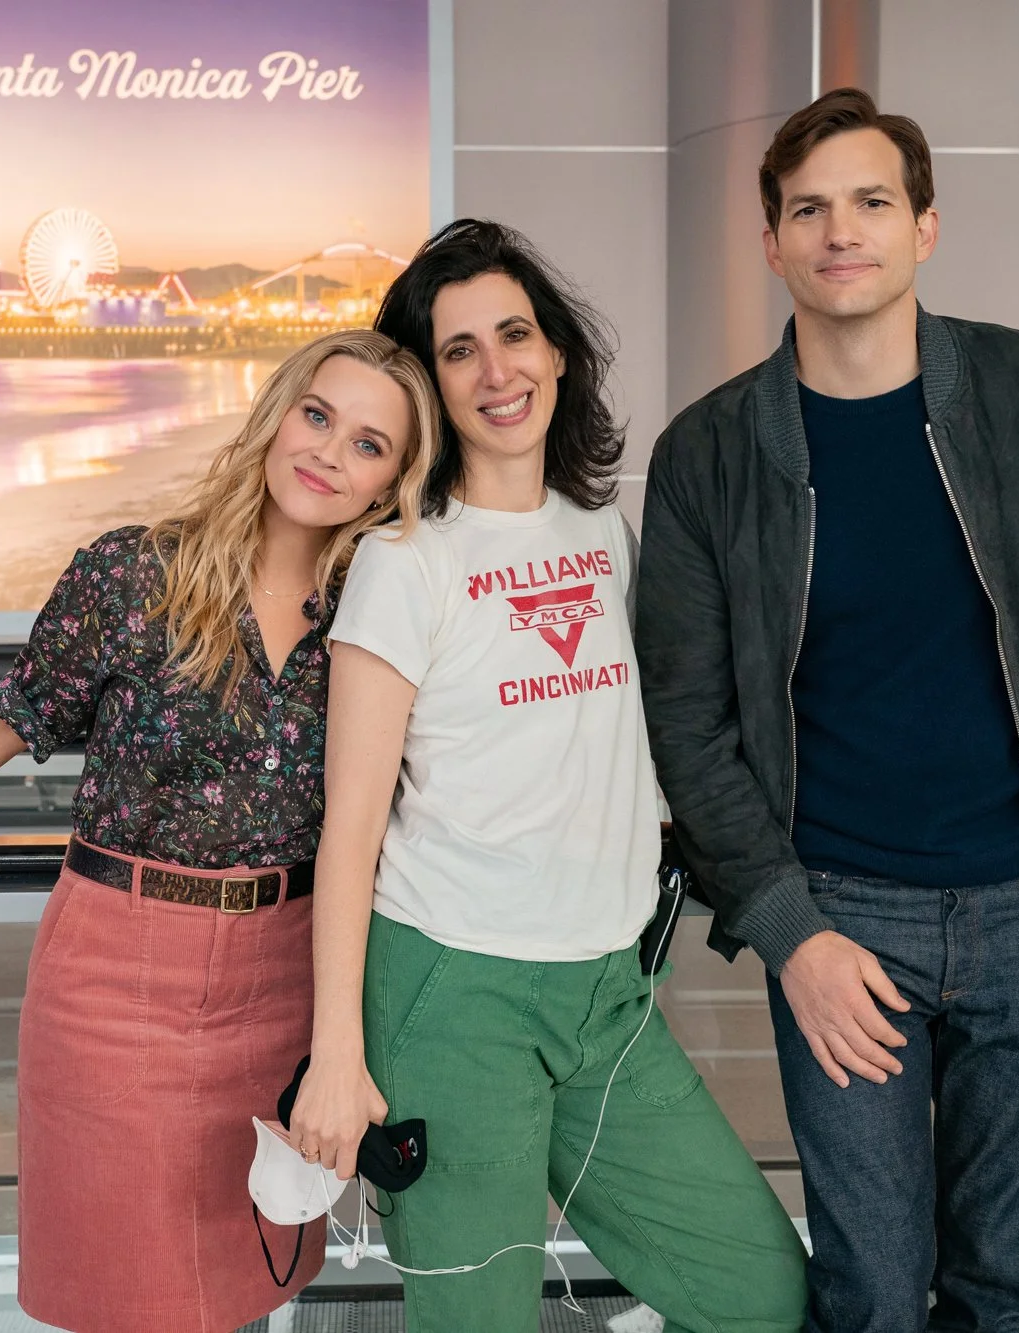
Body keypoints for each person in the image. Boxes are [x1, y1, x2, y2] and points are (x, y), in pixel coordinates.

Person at [635, 90, 1019, 1333]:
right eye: (808, 210)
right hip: (841, 921)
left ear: (923, 226)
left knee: (997, 1281)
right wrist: (788, 932)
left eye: (869, 201)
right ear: (771, 243)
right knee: (868, 1288)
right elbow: (687, 725)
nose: (839, 231)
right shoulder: (711, 451)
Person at [0, 329, 438, 1333]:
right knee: (124, 1296)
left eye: (368, 443)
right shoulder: (134, 572)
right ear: (276, 416)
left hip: (287, 980)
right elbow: (20, 707)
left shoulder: (374, 610)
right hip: (114, 979)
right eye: (317, 415)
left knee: (243, 1285)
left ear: (392, 482)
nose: (328, 453)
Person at [287, 219, 808, 1333]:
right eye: (458, 350)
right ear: (429, 384)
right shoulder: (403, 563)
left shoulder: (605, 529)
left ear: (557, 352)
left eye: (513, 334)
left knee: (759, 1292)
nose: (496, 370)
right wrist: (337, 1052)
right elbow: (349, 831)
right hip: (452, 993)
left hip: (608, 995)